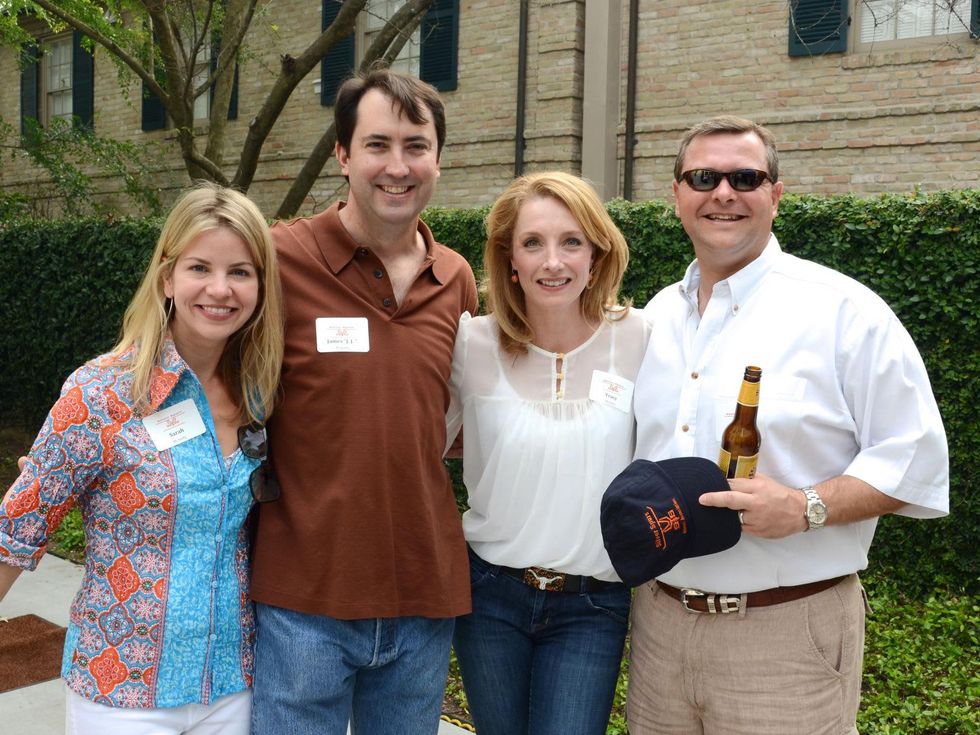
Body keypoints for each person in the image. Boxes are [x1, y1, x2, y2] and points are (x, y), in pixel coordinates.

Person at [628, 115, 949, 734]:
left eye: (745, 178)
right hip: (659, 626)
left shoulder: (843, 311)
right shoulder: (656, 315)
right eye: (703, 178)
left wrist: (807, 507)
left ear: (775, 195)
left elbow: (915, 458)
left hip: (786, 634)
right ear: (677, 195)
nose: (724, 193)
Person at [0, 183, 284, 734]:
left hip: (231, 686)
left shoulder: (261, 392)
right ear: (167, 278)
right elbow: (15, 530)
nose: (220, 289)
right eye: (200, 268)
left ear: (261, 285)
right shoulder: (100, 393)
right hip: (122, 692)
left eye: (240, 272)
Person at [248, 69, 478, 735]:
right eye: (378, 145)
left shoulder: (455, 277)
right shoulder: (278, 259)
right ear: (344, 155)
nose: (397, 166)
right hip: (303, 600)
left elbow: (450, 419)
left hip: (423, 597)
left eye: (416, 146)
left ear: (438, 159)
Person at [446, 171, 649, 735]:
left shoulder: (641, 338)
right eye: (533, 243)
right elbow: (417, 445)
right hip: (489, 595)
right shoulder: (472, 342)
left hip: (593, 603)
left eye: (571, 242)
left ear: (596, 254)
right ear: (510, 259)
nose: (552, 262)